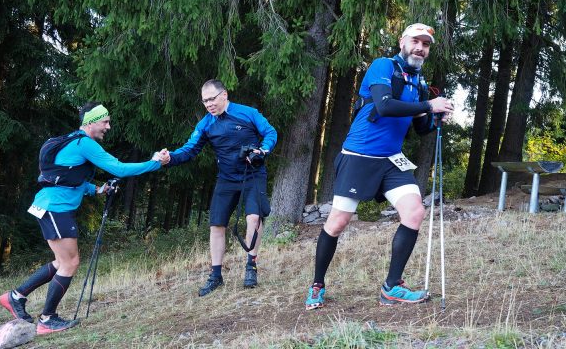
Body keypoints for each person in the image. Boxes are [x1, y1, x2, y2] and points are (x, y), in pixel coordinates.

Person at [304, 23, 454, 310]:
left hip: (391, 160)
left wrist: (437, 116)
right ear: (402, 42)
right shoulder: (383, 66)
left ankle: (392, 287)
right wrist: (428, 106)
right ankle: (317, 285)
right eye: (415, 42)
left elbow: (422, 126)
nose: (420, 48)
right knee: (337, 223)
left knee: (414, 211)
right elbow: (384, 106)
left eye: (426, 44)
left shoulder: (419, 83)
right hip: (359, 156)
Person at [0, 102, 166, 334]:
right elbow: (119, 169)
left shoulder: (71, 141)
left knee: (61, 262)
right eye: (104, 121)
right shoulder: (84, 143)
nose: (108, 126)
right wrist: (155, 162)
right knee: (70, 263)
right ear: (90, 122)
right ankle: (47, 320)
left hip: (49, 205)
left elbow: (67, 176)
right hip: (55, 207)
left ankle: (15, 297)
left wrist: (97, 190)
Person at [158, 79, 277, 297]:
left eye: (212, 99)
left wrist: (262, 150)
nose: (209, 104)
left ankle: (251, 266)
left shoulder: (248, 113)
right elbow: (189, 150)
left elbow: (270, 132)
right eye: (205, 101)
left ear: (224, 95)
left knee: (253, 218)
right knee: (216, 225)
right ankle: (216, 276)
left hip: (252, 175)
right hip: (226, 179)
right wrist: (169, 158)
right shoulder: (206, 124)